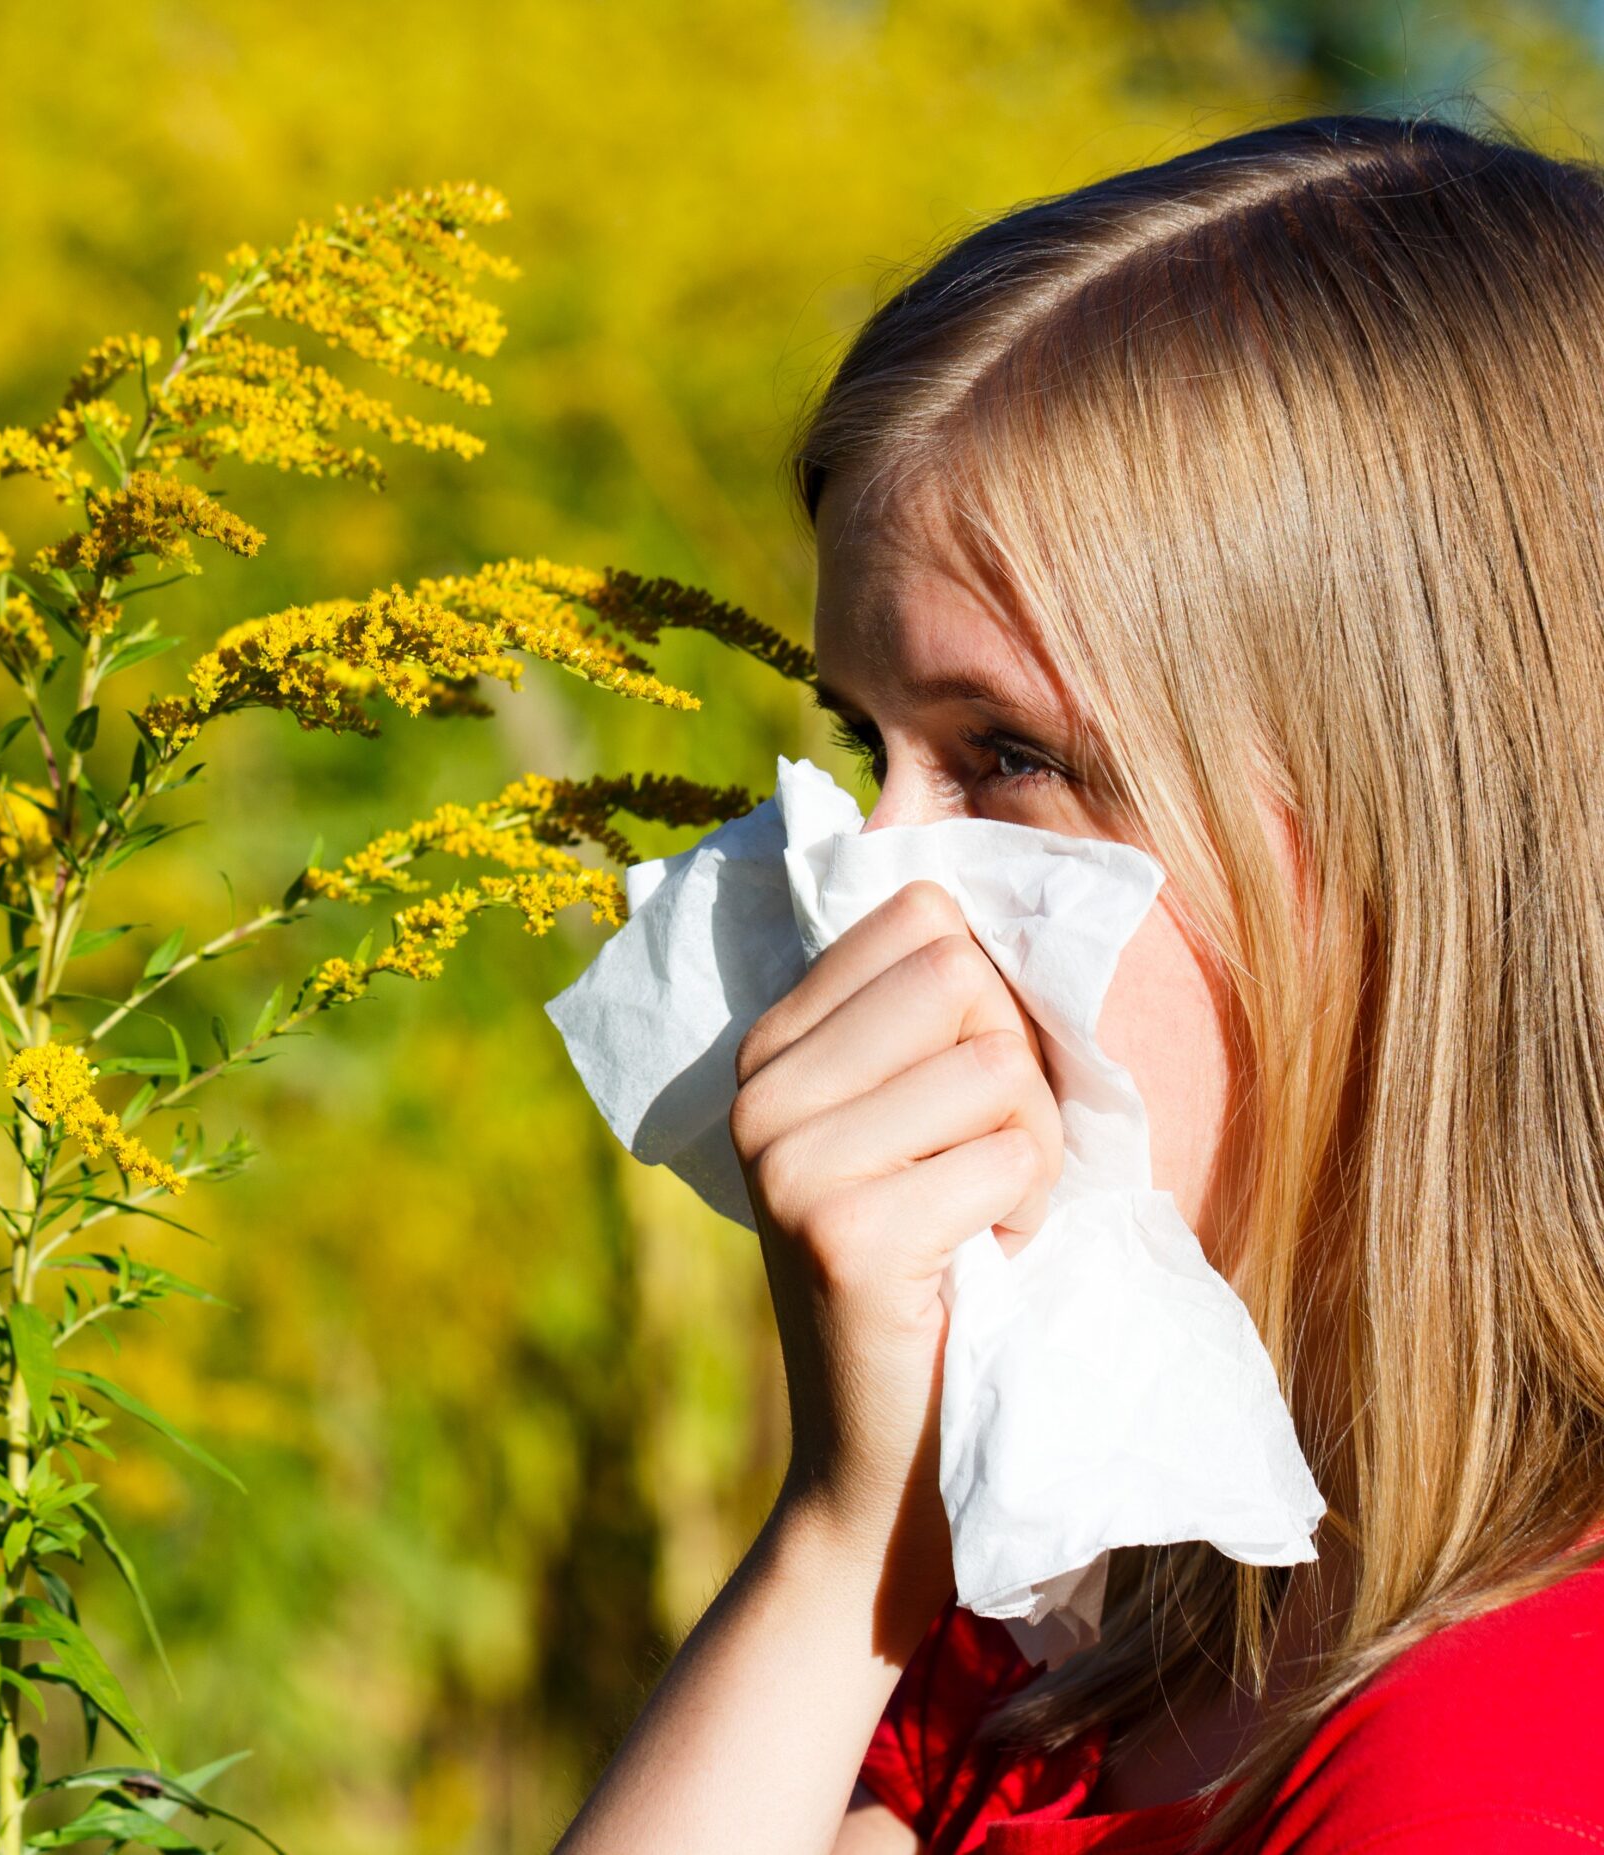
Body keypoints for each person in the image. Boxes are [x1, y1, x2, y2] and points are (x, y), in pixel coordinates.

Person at [548, 110, 1604, 1854]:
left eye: (1011, 757)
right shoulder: (1100, 1610)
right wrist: (850, 1539)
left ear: (1417, 837)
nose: (868, 891)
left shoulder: (1508, 1752)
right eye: (861, 747)